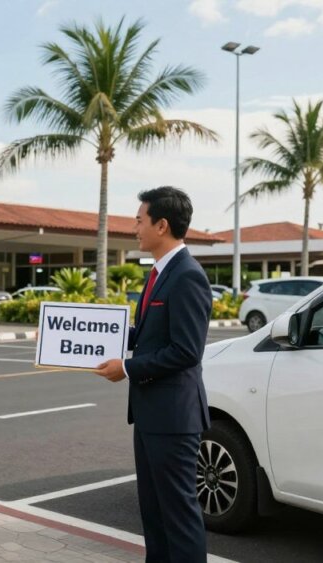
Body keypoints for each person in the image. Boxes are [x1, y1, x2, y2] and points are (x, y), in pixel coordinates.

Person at [94, 186, 212, 562]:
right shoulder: (161, 272)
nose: (135, 228)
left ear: (162, 225)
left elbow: (186, 351)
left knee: (178, 515)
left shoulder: (187, 276)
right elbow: (148, 335)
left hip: (174, 419)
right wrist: (78, 335)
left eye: (139, 220)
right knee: (155, 513)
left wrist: (127, 367)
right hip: (150, 415)